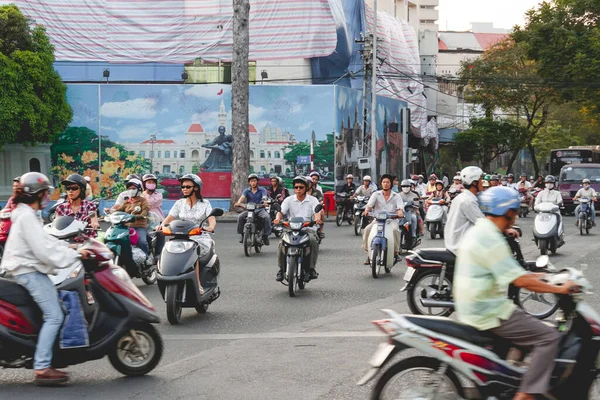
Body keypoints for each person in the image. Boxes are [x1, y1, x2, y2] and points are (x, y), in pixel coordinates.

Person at [454, 186, 577, 400]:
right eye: (515, 211)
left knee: (529, 328)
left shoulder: (482, 230)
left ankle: (510, 378)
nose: (517, 215)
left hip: (473, 305)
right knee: (548, 336)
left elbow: (516, 273)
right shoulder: (491, 239)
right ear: (508, 212)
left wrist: (546, 278)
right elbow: (520, 280)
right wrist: (559, 288)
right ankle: (526, 394)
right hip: (488, 310)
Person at [0, 172, 91, 386]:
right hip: (28, 272)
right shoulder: (26, 217)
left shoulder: (27, 214)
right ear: (37, 194)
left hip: (24, 269)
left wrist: (67, 246)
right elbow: (44, 252)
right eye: (44, 193)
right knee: (55, 315)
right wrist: (75, 254)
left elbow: (45, 242)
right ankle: (42, 367)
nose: (47, 198)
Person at [158, 174, 216, 292]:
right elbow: (170, 217)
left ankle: (198, 284)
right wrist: (162, 225)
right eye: (183, 186)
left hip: (199, 235)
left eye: (187, 187)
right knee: (168, 249)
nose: (184, 189)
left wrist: (211, 227)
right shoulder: (180, 203)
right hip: (180, 236)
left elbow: (211, 218)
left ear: (196, 188)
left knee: (194, 250)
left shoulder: (205, 203)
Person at [273, 176, 322, 281]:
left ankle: (312, 268)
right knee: (281, 243)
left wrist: (317, 219)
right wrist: (277, 219)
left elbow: (316, 212)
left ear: (306, 188)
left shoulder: (313, 200)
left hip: (307, 229)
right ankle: (281, 269)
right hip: (291, 228)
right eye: (296, 187)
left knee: (313, 241)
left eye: (301, 187)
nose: (298, 189)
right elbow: (281, 211)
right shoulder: (289, 200)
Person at [361, 174, 404, 265]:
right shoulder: (376, 194)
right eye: (384, 182)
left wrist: (400, 212)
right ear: (381, 183)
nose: (386, 184)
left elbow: (400, 208)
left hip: (391, 220)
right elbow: (369, 205)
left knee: (395, 231)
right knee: (367, 229)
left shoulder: (396, 196)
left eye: (388, 182)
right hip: (378, 221)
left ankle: (396, 253)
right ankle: (369, 254)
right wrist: (366, 211)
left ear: (391, 184)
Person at [444, 166, 485, 255]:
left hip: (454, 243)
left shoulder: (462, 198)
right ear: (474, 183)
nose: (483, 182)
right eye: (481, 180)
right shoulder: (468, 201)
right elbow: (483, 223)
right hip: (461, 247)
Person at [55, 174, 100, 239]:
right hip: (67, 243)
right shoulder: (60, 208)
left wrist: (94, 223)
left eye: (74, 188)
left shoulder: (90, 206)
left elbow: (93, 218)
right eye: (68, 188)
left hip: (85, 243)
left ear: (81, 190)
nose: (70, 191)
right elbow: (56, 224)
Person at [115, 178, 150, 255]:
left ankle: (146, 256)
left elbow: (145, 212)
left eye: (133, 188)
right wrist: (110, 213)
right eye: (129, 188)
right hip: (126, 227)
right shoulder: (127, 202)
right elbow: (119, 210)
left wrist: (137, 216)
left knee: (142, 242)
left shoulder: (143, 201)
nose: (131, 190)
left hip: (139, 226)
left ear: (139, 189)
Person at [235, 173, 272, 245]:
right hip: (249, 210)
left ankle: (265, 236)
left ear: (257, 182)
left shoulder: (262, 190)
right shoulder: (246, 191)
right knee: (240, 217)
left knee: (267, 217)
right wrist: (238, 203)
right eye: (251, 181)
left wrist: (265, 202)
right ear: (249, 182)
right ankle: (242, 235)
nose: (253, 183)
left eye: (254, 181)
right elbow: (242, 197)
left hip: (260, 209)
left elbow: (264, 197)